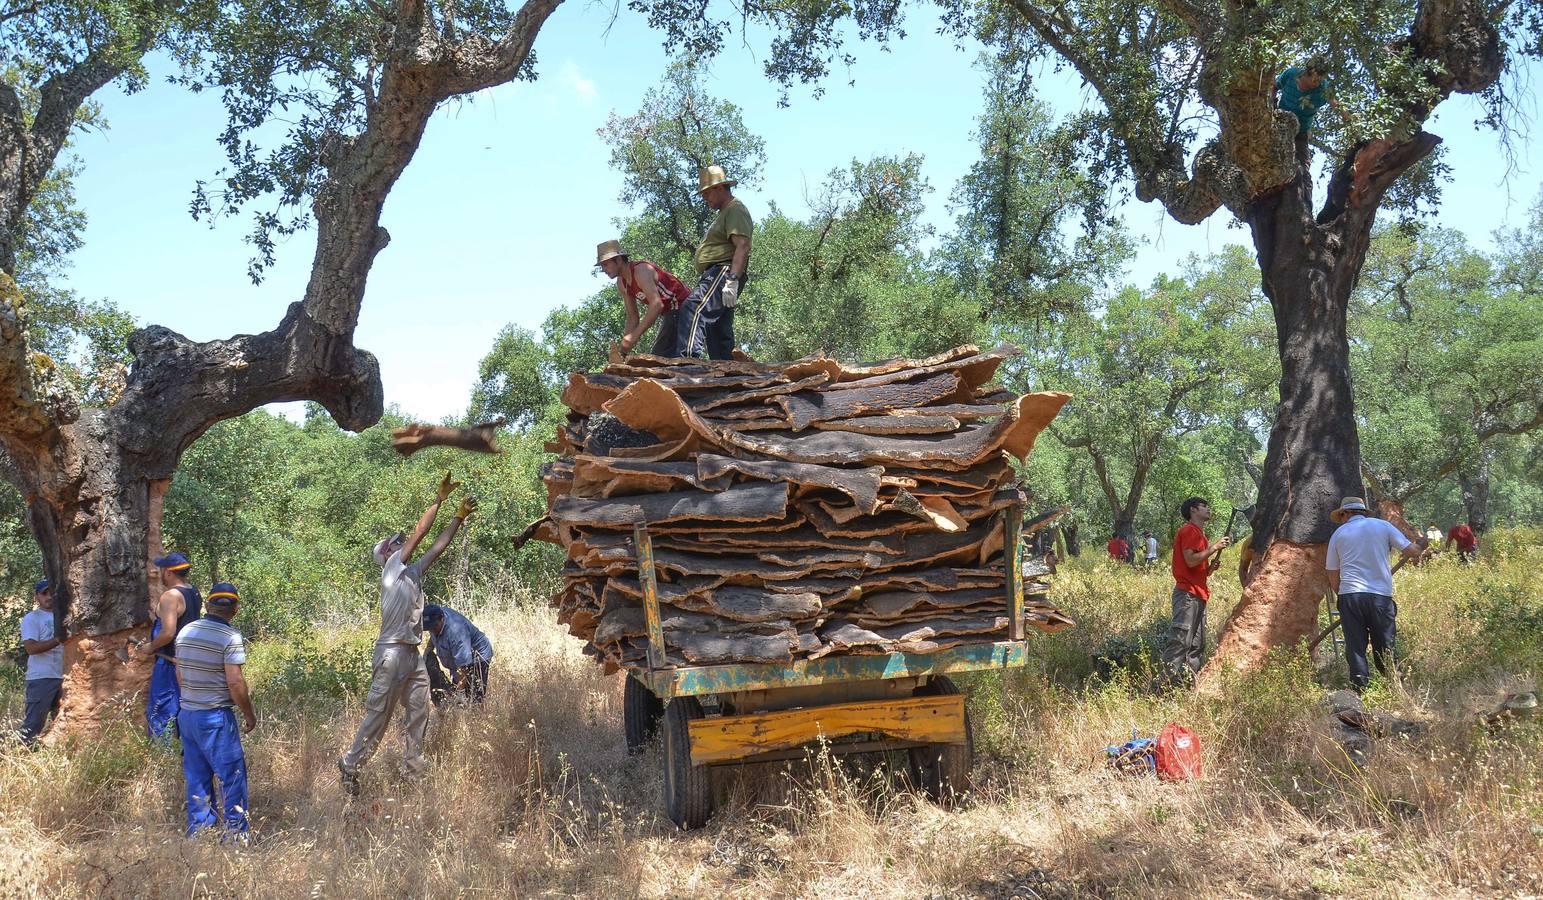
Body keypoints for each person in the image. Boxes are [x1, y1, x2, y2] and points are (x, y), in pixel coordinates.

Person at [338, 473, 476, 796]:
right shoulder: (390, 571)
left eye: (401, 542)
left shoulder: (411, 573)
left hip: (411, 655)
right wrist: (439, 501)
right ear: (387, 554)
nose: (402, 544)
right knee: (379, 717)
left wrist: (457, 518)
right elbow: (421, 532)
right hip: (390, 653)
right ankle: (350, 765)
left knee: (419, 713)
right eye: (396, 543)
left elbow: (438, 545)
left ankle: (413, 772)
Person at [174, 582, 256, 836]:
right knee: (231, 777)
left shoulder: (186, 631)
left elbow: (179, 674)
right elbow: (235, 681)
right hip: (215, 717)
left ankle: (199, 834)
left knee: (197, 778)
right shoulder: (229, 637)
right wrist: (248, 713)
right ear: (235, 609)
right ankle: (236, 835)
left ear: (207, 605)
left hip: (187, 715)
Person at [1326, 497, 1423, 692]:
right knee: (1385, 643)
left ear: (1346, 513)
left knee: (1355, 647)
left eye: (1341, 516)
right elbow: (1413, 551)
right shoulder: (1382, 526)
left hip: (1351, 596)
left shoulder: (1338, 534)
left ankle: (1360, 691)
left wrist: (1342, 595)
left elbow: (1332, 572)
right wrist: (1422, 543)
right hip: (1380, 596)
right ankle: (1395, 687)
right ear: (1362, 512)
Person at [680, 165, 752, 359]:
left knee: (693, 307)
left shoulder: (734, 209)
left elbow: (742, 245)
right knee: (718, 327)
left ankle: (687, 361)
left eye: (707, 193)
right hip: (722, 272)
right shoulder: (725, 213)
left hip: (723, 270)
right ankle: (726, 372)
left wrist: (732, 279)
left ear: (720, 188)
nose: (705, 199)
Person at [134, 552, 202, 742]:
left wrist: (150, 647)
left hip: (170, 664)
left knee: (161, 711)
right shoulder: (194, 592)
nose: (160, 573)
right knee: (185, 710)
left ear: (170, 572)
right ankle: (184, 754)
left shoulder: (171, 596)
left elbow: (168, 632)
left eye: (163, 569)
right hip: (189, 663)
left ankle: (160, 760)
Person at [1163, 498, 1232, 685]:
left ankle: (1186, 686)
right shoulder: (1189, 531)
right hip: (1187, 595)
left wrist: (1210, 569)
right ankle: (1163, 688)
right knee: (1180, 642)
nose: (1209, 509)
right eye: (1204, 506)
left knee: (1196, 645)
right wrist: (1214, 548)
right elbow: (1191, 560)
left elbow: (1197, 569)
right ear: (1193, 510)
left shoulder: (1200, 535)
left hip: (1198, 595)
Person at [597, 240, 693, 357]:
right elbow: (633, 317)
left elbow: (657, 305)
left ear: (618, 260)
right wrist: (623, 350)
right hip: (671, 313)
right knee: (659, 358)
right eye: (602, 266)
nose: (603, 269)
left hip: (686, 307)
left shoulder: (641, 271)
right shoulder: (622, 283)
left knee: (663, 358)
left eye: (605, 264)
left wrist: (634, 336)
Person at [18, 578, 63, 747]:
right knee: (33, 724)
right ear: (37, 596)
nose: (49, 596)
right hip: (41, 677)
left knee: (60, 721)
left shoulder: (63, 616)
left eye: (51, 592)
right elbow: (31, 648)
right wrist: (58, 640)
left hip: (63, 677)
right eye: (44, 593)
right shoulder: (32, 618)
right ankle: (20, 755)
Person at [422, 604, 494, 706]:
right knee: (457, 697)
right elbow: (434, 634)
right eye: (430, 628)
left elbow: (463, 666)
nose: (432, 630)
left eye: (434, 627)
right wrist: (429, 648)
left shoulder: (456, 633)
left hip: (478, 657)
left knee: (474, 699)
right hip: (457, 659)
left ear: (442, 618)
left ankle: (475, 716)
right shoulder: (434, 617)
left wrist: (460, 692)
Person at [1274, 59, 1335, 163]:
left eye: (1320, 80)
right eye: (1315, 80)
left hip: (1301, 133)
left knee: (1303, 170)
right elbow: (1274, 87)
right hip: (1279, 124)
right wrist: (1272, 106)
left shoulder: (1323, 88)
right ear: (1308, 73)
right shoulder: (1291, 74)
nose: (1317, 84)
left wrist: (1349, 117)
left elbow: (1335, 104)